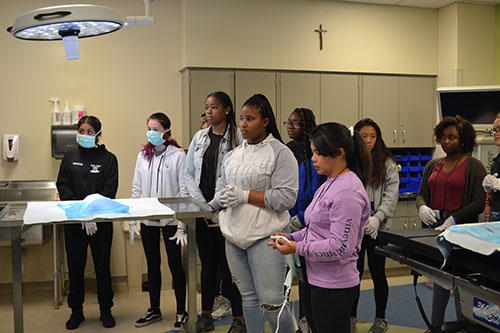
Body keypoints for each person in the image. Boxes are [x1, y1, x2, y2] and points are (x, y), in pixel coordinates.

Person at [209, 93, 298, 333]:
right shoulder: (233, 155)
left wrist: (245, 196)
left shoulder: (280, 153)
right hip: (234, 238)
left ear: (265, 121)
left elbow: (286, 198)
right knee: (247, 299)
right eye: (241, 118)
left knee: (271, 301)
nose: (244, 124)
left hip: (266, 237)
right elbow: (221, 190)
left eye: (250, 118)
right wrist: (212, 204)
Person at [270, 122, 371, 333]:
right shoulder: (328, 184)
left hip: (334, 285)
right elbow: (315, 228)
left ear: (339, 153)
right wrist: (291, 236)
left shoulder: (347, 192)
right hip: (315, 278)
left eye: (318, 153)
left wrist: (296, 248)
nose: (313, 159)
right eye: (313, 152)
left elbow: (340, 247)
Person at [416, 115, 486, 333]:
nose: (446, 142)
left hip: (460, 230)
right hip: (434, 226)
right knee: (439, 277)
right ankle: (436, 326)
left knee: (457, 281)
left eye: (452, 138)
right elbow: (421, 195)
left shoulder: (474, 166)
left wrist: (454, 218)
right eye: (443, 137)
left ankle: (463, 326)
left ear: (463, 140)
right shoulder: (432, 165)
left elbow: (479, 202)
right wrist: (422, 207)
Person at [184, 91, 246, 333]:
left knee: (231, 267)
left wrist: (215, 203)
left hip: (227, 210)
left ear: (227, 110)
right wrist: (202, 203)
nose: (209, 112)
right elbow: (189, 173)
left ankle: (239, 319)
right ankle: (206, 315)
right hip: (203, 212)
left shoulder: (238, 138)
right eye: (207, 107)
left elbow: (239, 175)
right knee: (208, 266)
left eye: (214, 107)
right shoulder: (200, 137)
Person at [56, 116, 118, 330]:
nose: (84, 135)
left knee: (102, 267)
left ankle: (106, 310)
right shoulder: (69, 157)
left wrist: (91, 213)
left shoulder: (109, 159)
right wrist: (80, 213)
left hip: (100, 221)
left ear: (98, 135)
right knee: (75, 267)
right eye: (81, 131)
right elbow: (62, 184)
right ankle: (76, 312)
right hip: (74, 221)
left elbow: (110, 189)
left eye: (89, 131)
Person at [128, 112, 189, 331]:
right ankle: (154, 309)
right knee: (152, 266)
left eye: (155, 129)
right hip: (148, 220)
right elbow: (136, 189)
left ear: (166, 131)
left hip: (172, 221)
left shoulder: (177, 155)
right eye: (149, 128)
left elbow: (183, 190)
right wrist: (133, 221)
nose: (151, 133)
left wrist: (182, 225)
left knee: (175, 266)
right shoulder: (143, 156)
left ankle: (182, 310)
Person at [351, 118, 399, 333]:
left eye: (372, 136)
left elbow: (391, 195)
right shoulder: (351, 161)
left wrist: (377, 218)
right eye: (364, 136)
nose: (369, 141)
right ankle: (350, 317)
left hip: (379, 228)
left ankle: (381, 318)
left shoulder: (386, 162)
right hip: (355, 229)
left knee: (379, 273)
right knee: (354, 274)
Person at [283, 108, 323, 333]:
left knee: (311, 278)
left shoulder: (313, 155)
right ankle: (300, 322)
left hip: (312, 222)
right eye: (288, 122)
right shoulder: (286, 151)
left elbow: (317, 192)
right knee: (297, 276)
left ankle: (309, 321)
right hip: (292, 220)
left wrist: (304, 217)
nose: (290, 126)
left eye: (296, 123)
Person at [483, 113, 500, 222]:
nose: (495, 133)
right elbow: (490, 200)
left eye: (499, 129)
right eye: (494, 130)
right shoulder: (496, 163)